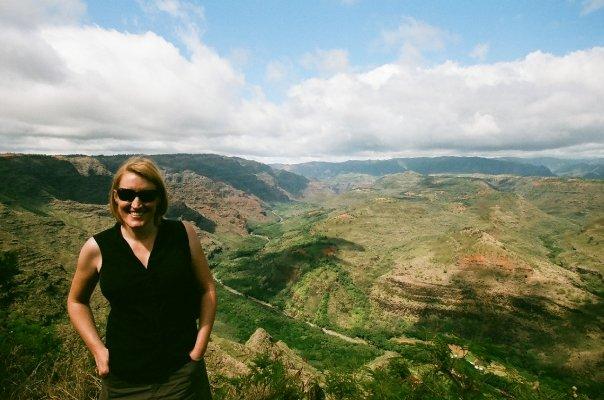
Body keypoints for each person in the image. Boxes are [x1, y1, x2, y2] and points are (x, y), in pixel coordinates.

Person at [67, 156, 216, 399]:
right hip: (123, 380)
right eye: (127, 194)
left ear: (159, 199)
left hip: (182, 375)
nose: (136, 204)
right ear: (116, 196)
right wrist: (97, 350)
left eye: (146, 196)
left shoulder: (183, 234)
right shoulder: (97, 247)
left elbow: (207, 289)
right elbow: (76, 301)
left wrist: (198, 350)